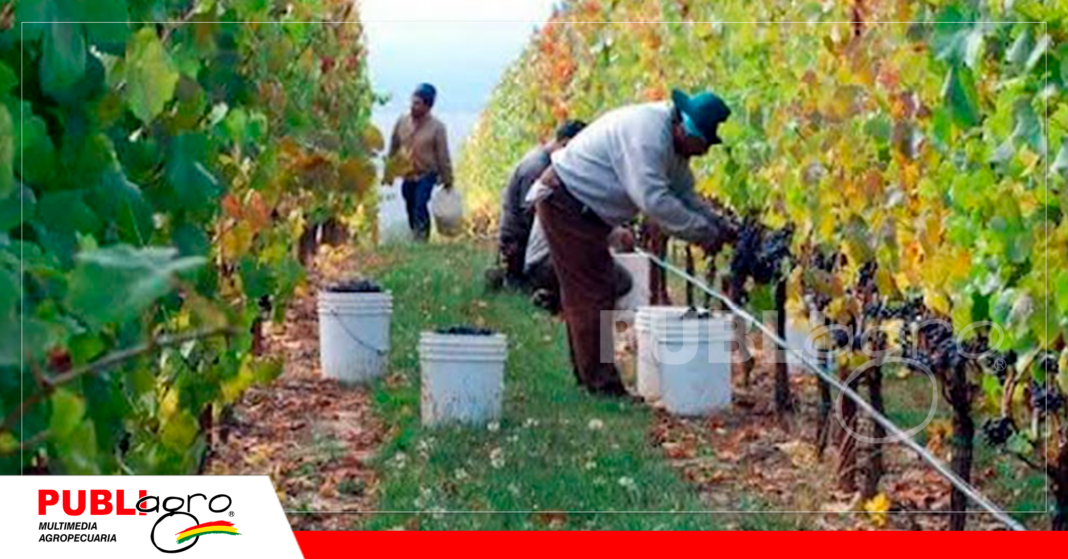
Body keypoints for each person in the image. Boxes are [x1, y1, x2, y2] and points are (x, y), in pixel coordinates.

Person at [533, 89, 736, 398]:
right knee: (591, 292)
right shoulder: (648, 137)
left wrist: (719, 225)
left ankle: (590, 378)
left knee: (595, 289)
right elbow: (655, 201)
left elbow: (685, 195)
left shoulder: (674, 145)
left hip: (583, 208)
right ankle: (601, 385)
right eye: (704, 145)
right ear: (687, 131)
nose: (704, 153)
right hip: (566, 202)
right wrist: (705, 234)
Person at [498, 120, 587, 289]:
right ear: (566, 144)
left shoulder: (545, 160)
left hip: (522, 240)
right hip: (518, 245)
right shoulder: (537, 168)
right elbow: (531, 213)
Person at [387, 83, 453, 242]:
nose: (413, 106)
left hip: (427, 174)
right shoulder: (402, 122)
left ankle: (422, 239)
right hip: (408, 174)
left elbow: (443, 155)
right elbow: (394, 146)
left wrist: (448, 180)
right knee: (410, 204)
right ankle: (415, 234)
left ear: (428, 107)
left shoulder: (437, 128)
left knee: (420, 204)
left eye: (417, 104)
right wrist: (389, 171)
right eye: (412, 102)